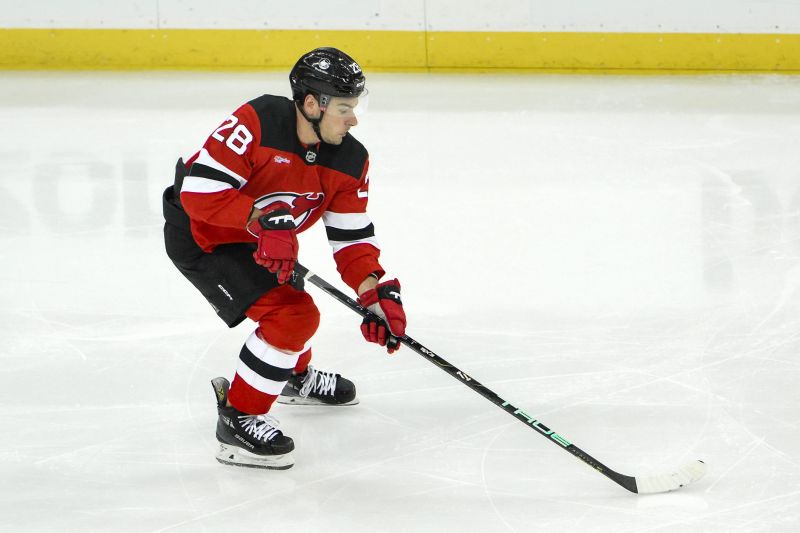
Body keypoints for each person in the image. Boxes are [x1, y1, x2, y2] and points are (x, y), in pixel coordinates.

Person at [161, 47, 407, 470]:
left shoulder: (350, 159)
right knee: (292, 316)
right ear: (312, 104)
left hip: (263, 241)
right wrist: (259, 222)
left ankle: (290, 374)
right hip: (204, 235)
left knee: (290, 299)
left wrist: (372, 292)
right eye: (345, 108)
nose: (354, 119)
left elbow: (351, 237)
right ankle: (238, 418)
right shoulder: (258, 121)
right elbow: (198, 191)